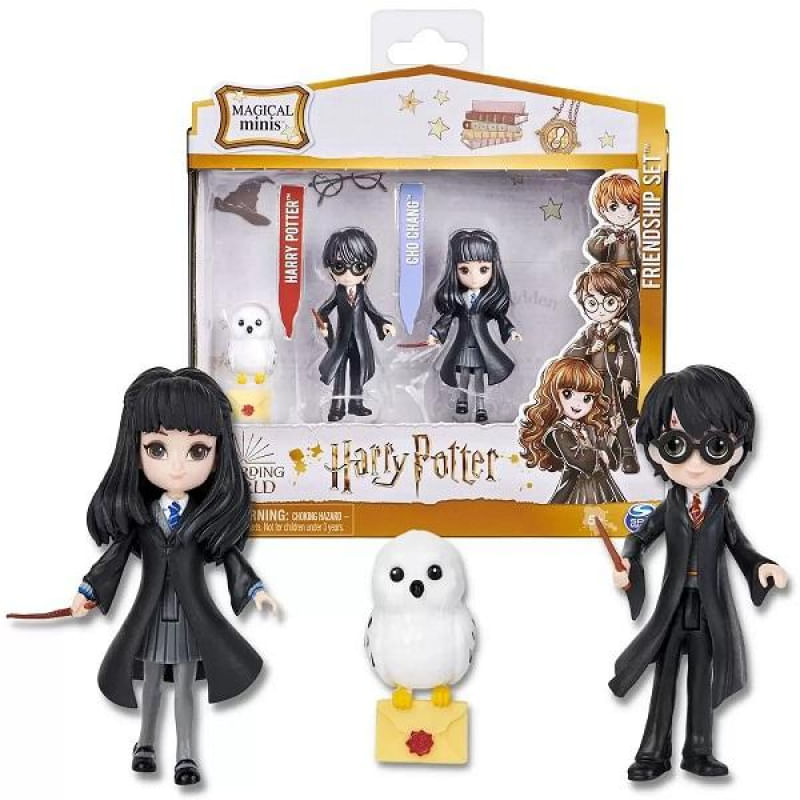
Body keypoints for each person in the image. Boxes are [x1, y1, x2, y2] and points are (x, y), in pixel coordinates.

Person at [73, 367, 279, 785]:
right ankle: (145, 744)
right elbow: (115, 558)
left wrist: (255, 591)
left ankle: (186, 753)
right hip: (150, 616)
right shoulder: (143, 518)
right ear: (135, 450)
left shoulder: (204, 520)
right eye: (158, 449)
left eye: (198, 450)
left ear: (218, 453)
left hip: (190, 619)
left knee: (184, 688)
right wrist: (87, 590)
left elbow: (231, 557)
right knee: (150, 684)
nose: (178, 467)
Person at [608, 365, 788, 781]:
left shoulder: (721, 507)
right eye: (675, 445)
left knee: (701, 680)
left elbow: (741, 547)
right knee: (664, 678)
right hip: (673, 608)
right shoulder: (669, 505)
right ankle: (653, 752)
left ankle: (699, 749)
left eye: (715, 446)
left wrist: (762, 566)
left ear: (736, 450)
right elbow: (639, 538)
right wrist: (629, 565)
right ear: (656, 450)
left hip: (709, 608)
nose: (694, 464)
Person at [428, 229, 521, 423]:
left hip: (481, 347)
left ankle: (480, 407)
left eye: (483, 269)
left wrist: (511, 331)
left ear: (493, 269)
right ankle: (462, 401)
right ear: (454, 270)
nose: (474, 277)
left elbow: (500, 317)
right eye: (464, 270)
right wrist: (435, 334)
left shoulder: (487, 301)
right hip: (462, 345)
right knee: (462, 375)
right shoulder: (459, 300)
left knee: (479, 379)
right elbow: (446, 318)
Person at [564, 262, 640, 473]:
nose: (600, 309)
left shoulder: (620, 333)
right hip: (589, 384)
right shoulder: (589, 333)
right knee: (592, 418)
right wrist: (589, 350)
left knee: (616, 418)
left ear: (621, 301)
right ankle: (602, 453)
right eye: (592, 303)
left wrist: (627, 377)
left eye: (609, 302)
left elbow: (628, 355)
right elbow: (569, 354)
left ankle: (628, 455)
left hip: (610, 382)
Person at [518, 357, 625, 503]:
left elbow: (613, 463)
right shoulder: (558, 432)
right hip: (576, 491)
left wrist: (611, 432)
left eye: (587, 398)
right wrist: (600, 454)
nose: (578, 403)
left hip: (603, 489)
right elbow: (580, 460)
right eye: (568, 394)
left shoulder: (588, 428)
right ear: (553, 394)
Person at [316, 227, 396, 421]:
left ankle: (356, 404)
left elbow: (371, 311)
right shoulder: (338, 293)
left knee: (357, 372)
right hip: (341, 342)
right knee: (339, 373)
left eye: (358, 267)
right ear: (330, 268)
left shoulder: (361, 292)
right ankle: (337, 407)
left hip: (360, 341)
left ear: (367, 269)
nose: (348, 274)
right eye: (339, 267)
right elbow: (323, 311)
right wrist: (324, 327)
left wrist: (383, 324)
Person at [584, 172, 642, 349]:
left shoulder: (631, 234)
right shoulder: (604, 232)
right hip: (612, 276)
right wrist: (606, 241)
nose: (623, 213)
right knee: (608, 309)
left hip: (629, 276)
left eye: (629, 206)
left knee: (635, 311)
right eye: (614, 207)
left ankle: (640, 342)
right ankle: (602, 340)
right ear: (603, 210)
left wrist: (642, 275)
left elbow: (636, 257)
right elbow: (592, 247)